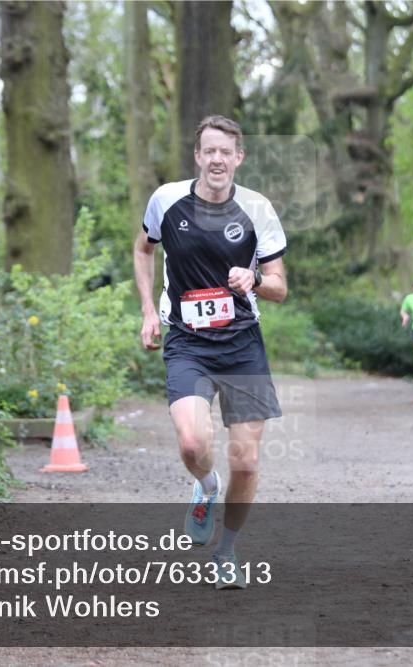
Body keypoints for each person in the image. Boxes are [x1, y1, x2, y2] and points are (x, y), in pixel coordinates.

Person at [132, 115, 287, 589]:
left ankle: (226, 550)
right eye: (209, 151)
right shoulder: (166, 200)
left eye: (226, 151)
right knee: (193, 444)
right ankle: (205, 486)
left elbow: (280, 286)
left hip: (241, 344)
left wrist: (255, 279)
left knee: (247, 462)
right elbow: (143, 249)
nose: (217, 159)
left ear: (239, 158)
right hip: (187, 342)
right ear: (197, 156)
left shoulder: (258, 209)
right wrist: (148, 311)